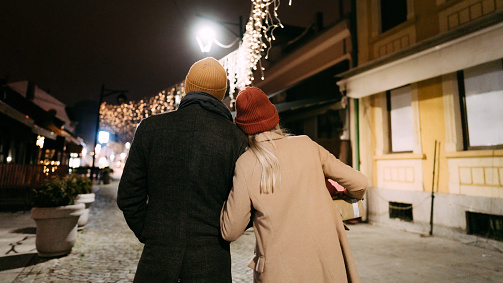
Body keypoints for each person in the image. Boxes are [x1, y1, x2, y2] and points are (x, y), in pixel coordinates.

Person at [118, 57, 248, 282]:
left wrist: (151, 232)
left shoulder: (151, 128)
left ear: (188, 87)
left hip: (157, 259)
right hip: (211, 261)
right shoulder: (236, 138)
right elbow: (248, 204)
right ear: (222, 93)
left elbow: (129, 196)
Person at [220, 87, 368, 283]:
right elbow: (360, 182)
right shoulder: (306, 145)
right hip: (326, 267)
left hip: (279, 275)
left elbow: (230, 230)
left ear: (242, 128)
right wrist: (343, 199)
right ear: (275, 118)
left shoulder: (246, 163)